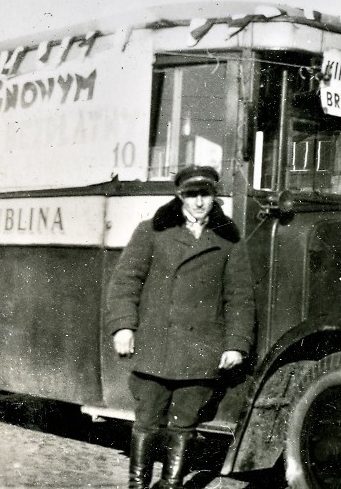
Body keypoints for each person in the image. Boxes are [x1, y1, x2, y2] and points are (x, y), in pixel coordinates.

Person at [105, 165, 256, 489]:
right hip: (156, 345)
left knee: (184, 425)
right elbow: (125, 282)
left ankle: (171, 485)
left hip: (201, 349)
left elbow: (240, 297)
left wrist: (236, 344)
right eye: (191, 194)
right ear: (180, 195)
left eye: (205, 194)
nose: (199, 201)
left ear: (215, 195)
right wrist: (123, 327)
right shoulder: (152, 231)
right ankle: (137, 485)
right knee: (146, 422)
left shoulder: (229, 239)